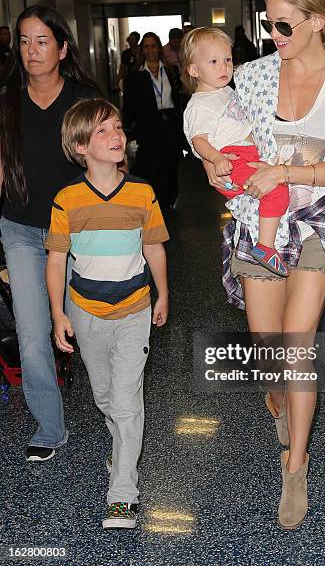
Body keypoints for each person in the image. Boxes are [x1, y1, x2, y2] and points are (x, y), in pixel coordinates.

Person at [201, 0, 325, 529]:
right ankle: (277, 394)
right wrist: (214, 166)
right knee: (267, 347)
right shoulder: (252, 76)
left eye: (283, 23)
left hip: (312, 227)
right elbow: (214, 128)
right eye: (268, 22)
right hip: (258, 225)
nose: (273, 32)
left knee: (298, 349)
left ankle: (296, 466)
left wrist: (287, 169)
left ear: (317, 22)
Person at [45, 98, 169, 529]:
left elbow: (153, 246)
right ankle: (121, 451)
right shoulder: (67, 200)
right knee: (104, 398)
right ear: (80, 146)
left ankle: (123, 490)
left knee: (125, 401)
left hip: (135, 307)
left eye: (117, 127)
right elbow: (58, 260)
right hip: (85, 312)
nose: (116, 136)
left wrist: (163, 294)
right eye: (102, 131)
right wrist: (59, 314)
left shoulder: (142, 193)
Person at [0, 5, 100, 462]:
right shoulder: (7, 99)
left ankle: (115, 412)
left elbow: (109, 162)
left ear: (62, 47)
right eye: (24, 41)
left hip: (77, 232)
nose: (32, 50)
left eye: (42, 40)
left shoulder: (84, 99)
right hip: (20, 229)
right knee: (32, 333)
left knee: (92, 327)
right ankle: (49, 427)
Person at [182, 27, 289, 276]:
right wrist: (216, 158)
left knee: (277, 188)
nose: (224, 67)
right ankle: (265, 246)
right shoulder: (200, 104)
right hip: (231, 158)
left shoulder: (226, 91)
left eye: (228, 60)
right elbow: (198, 140)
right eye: (214, 62)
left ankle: (266, 239)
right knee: (275, 189)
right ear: (194, 70)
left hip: (244, 153)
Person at [123, 31, 183, 210]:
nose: (150, 50)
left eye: (153, 46)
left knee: (171, 165)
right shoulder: (135, 76)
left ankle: (169, 201)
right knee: (151, 168)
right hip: (148, 127)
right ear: (142, 50)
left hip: (170, 125)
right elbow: (129, 106)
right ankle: (155, 203)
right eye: (146, 46)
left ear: (159, 48)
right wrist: (128, 132)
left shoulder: (171, 70)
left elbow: (178, 97)